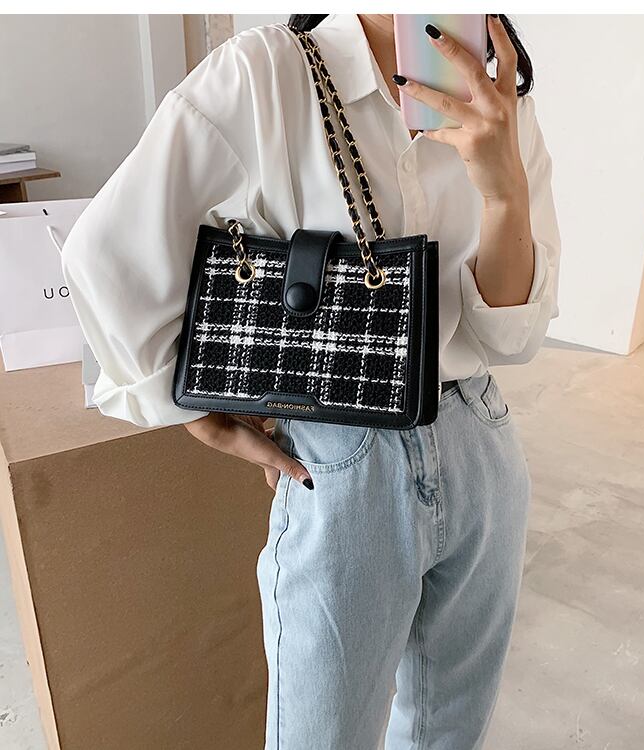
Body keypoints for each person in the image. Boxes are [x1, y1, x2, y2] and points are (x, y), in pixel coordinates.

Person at [62, 13, 561, 749]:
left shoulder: (498, 93)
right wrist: (189, 405)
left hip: (481, 440)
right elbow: (105, 255)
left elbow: (510, 336)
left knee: (452, 733)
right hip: (343, 459)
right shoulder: (266, 75)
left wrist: (504, 195)